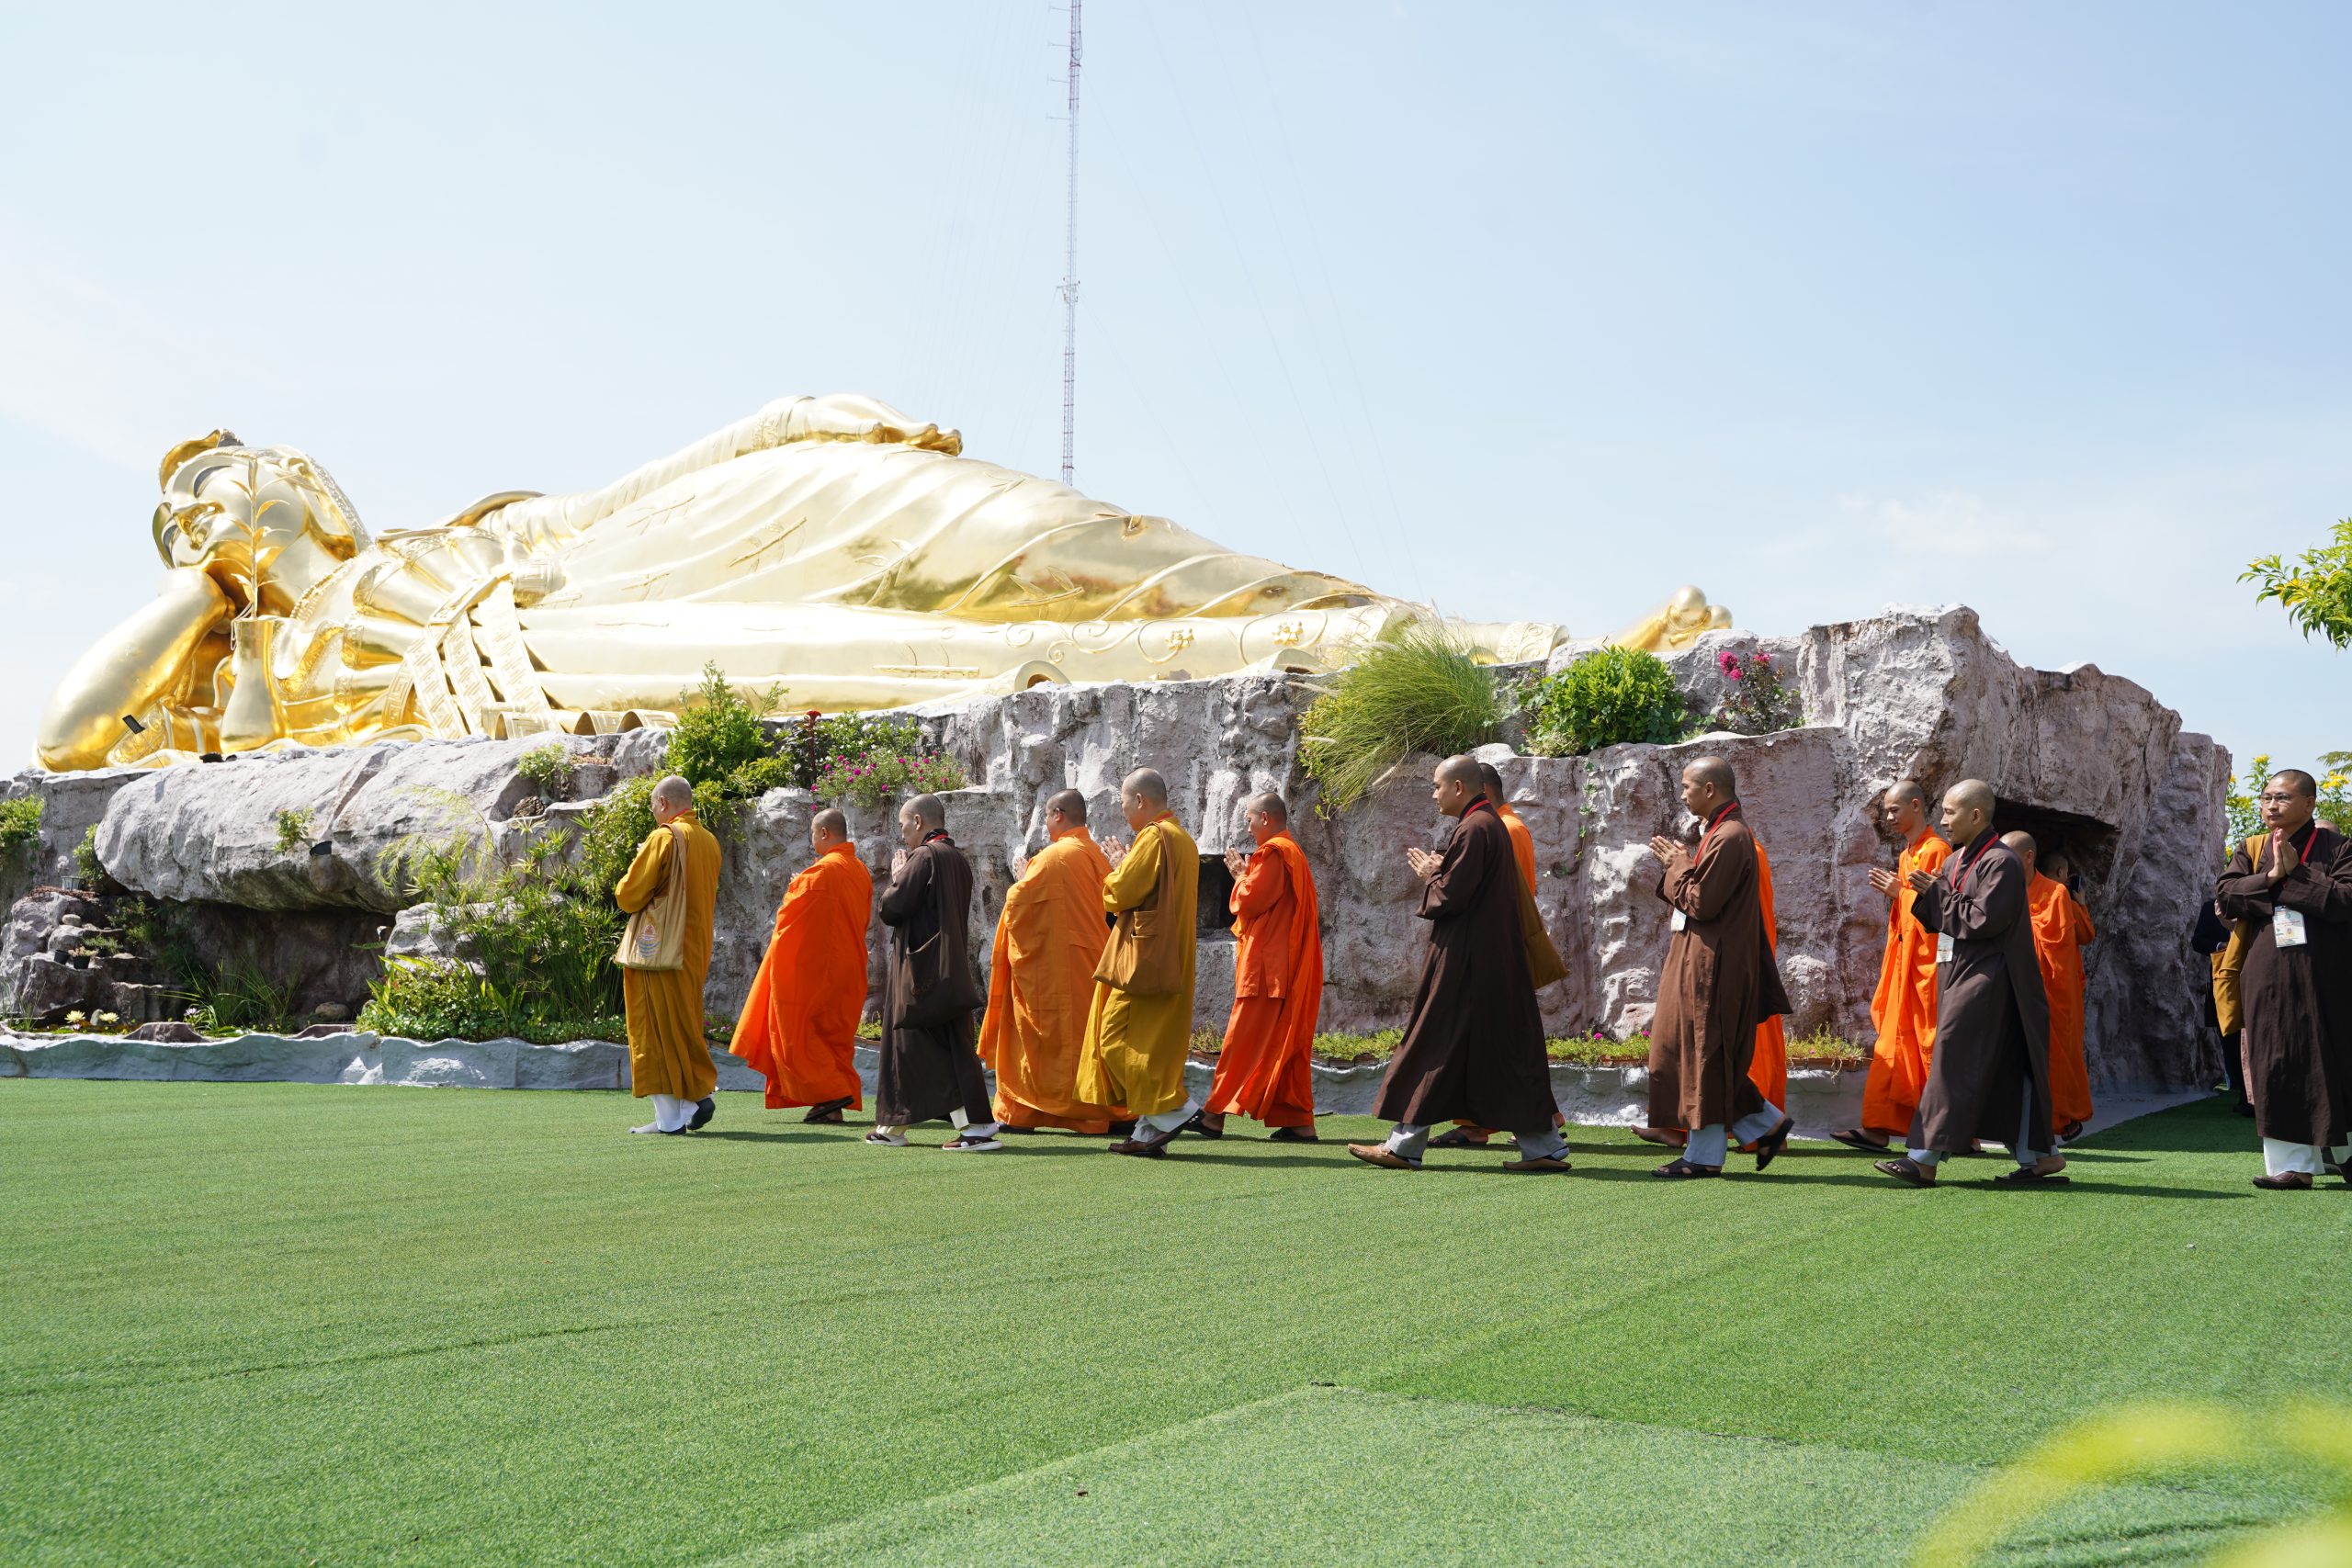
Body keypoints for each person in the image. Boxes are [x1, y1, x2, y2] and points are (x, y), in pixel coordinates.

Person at [1350, 755, 1571, 1173]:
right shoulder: (1487, 825)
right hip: (1488, 960)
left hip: (1467, 962)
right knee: (1503, 1051)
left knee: (1431, 1041)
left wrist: (1433, 876)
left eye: (1437, 786)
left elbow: (1452, 896)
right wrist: (1444, 869)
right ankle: (1544, 1147)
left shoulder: (1475, 827)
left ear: (1458, 787)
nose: (1433, 794)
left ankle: (1403, 1146)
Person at [1875, 781, 2061, 1187]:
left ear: (1976, 815)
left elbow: (1982, 920)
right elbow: (1941, 918)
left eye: (1950, 812)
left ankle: (1923, 1159)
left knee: (1951, 1056)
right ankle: (2042, 1157)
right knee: (2011, 1068)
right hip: (1959, 971)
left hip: (1993, 977)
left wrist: (1937, 894)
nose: (1943, 820)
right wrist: (1926, 895)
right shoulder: (1955, 861)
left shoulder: (2002, 862)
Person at [1642, 757, 1795, 1178]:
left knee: (1704, 1053)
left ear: (1710, 789)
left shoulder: (1730, 836)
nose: (1682, 794)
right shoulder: (1719, 832)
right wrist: (1683, 863)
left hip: (1715, 967)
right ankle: (1766, 1126)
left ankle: (1704, 1157)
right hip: (1703, 959)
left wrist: (1677, 864)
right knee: (1695, 1051)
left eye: (1687, 786)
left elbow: (1701, 902)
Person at [2214, 770, 2352, 1190]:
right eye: (2267, 797)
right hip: (2269, 973)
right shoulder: (2252, 848)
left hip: (2328, 975)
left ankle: (2347, 1156)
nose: (2272, 805)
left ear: (2309, 803)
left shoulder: (2339, 848)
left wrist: (2298, 874)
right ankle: (2292, 1166)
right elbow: (2226, 896)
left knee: (2339, 1060)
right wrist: (2272, 876)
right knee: (2277, 1059)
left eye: (2283, 797)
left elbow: (2345, 901)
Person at [978, 789, 1125, 1134]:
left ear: (1058, 814)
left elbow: (1020, 904)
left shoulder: (1052, 858)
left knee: (1046, 1038)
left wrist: (1021, 881)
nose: (1045, 824)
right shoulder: (1096, 853)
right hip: (1097, 963)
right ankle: (1102, 1110)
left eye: (1046, 817)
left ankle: (1028, 1110)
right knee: (1090, 1040)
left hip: (1059, 968)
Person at [1075, 769, 1202, 1157]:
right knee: (1152, 1045)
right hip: (1170, 954)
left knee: (1113, 1039)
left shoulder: (1154, 836)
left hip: (1144, 959)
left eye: (1124, 802)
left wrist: (1118, 865)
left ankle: (1176, 1110)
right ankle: (1148, 1131)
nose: (1123, 810)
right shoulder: (1183, 839)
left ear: (1141, 800)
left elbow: (1123, 892)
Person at [1189, 793, 1323, 1141]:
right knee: (1285, 1043)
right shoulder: (1291, 853)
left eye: (1250, 820)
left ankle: (1213, 1115)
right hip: (1281, 965)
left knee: (1242, 1040)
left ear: (1265, 818)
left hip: (1267, 969)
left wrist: (1239, 876)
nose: (1248, 828)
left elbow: (1249, 900)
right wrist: (1248, 875)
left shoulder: (1274, 853)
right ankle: (1299, 1121)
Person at [871, 794, 999, 1151]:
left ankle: (978, 1126)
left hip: (921, 972)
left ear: (917, 821)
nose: (902, 834)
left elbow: (891, 907)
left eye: (902, 825)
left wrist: (898, 877)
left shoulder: (925, 857)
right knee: (913, 1045)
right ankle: (892, 1125)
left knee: (937, 1048)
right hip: (944, 967)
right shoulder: (956, 859)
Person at [729, 807, 873, 1122]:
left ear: (824, 833)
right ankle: (830, 1108)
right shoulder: (860, 870)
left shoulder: (820, 873)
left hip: (819, 970)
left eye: (812, 834)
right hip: (851, 966)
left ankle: (832, 1092)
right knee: (833, 1035)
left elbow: (788, 919)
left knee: (797, 1031)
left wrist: (796, 887)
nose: (812, 842)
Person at [1833, 780, 1951, 1153]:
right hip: (1904, 962)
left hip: (1925, 967)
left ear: (1916, 806)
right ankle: (1879, 1127)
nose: (1888, 817)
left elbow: (1941, 914)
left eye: (1894, 810)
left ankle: (1955, 1129)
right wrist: (1901, 895)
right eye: (1886, 811)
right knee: (1893, 1044)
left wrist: (1900, 892)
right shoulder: (1907, 854)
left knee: (1927, 1043)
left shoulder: (1937, 850)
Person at [614, 774, 722, 1135]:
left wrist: (637, 860)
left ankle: (674, 1115)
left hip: (660, 948)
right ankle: (693, 1097)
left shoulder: (664, 837)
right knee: (682, 1023)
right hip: (694, 947)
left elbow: (628, 894)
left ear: (662, 803)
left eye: (653, 807)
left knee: (654, 1027)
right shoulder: (708, 840)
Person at [2011, 835, 2097, 1139]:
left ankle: (2061, 1116)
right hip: (2021, 984)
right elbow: (2086, 934)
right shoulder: (2012, 889)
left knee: (2058, 1054)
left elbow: (2065, 942)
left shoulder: (2057, 894)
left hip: (2055, 988)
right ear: (2061, 871)